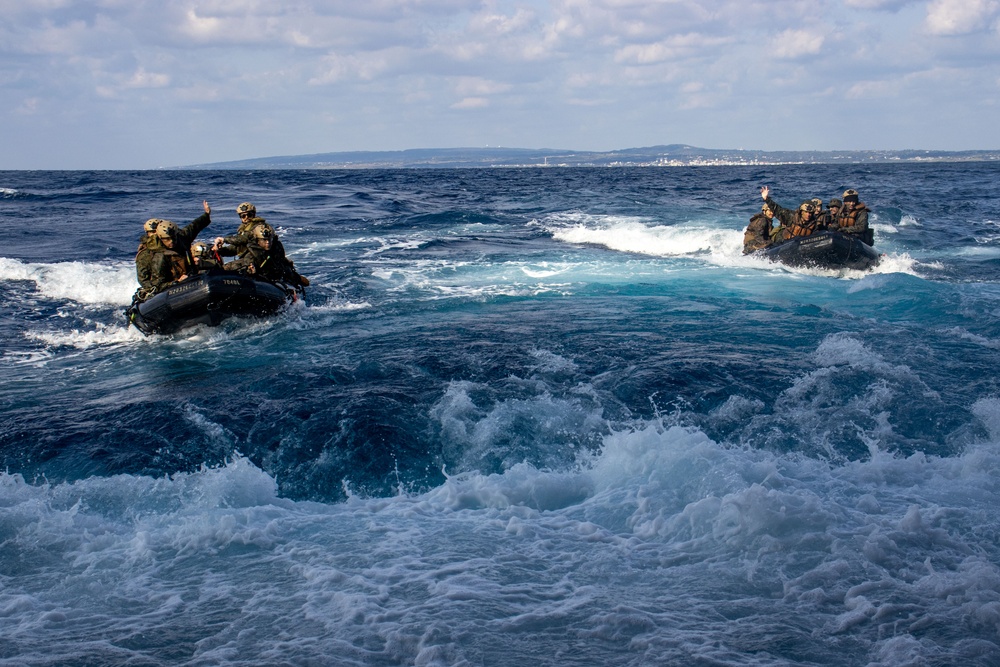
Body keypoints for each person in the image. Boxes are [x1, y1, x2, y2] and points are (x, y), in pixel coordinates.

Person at [145, 200, 213, 295]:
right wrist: (176, 282)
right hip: (173, 289)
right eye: (167, 239)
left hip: (191, 277)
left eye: (173, 238)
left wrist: (206, 214)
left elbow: (194, 226)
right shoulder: (159, 255)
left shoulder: (181, 237)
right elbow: (158, 285)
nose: (171, 242)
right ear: (161, 238)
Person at [224, 224, 309, 291]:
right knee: (230, 267)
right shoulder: (252, 254)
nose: (267, 242)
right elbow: (247, 262)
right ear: (258, 241)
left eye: (269, 240)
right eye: (264, 240)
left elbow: (282, 265)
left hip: (276, 277)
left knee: (297, 278)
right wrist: (250, 269)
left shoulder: (276, 249)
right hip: (260, 278)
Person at [212, 202, 285, 259]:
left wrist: (224, 240)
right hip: (250, 257)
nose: (246, 218)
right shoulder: (244, 228)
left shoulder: (259, 227)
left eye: (249, 215)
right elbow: (237, 248)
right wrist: (220, 250)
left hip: (257, 258)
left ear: (254, 214)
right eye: (243, 216)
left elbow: (243, 239)